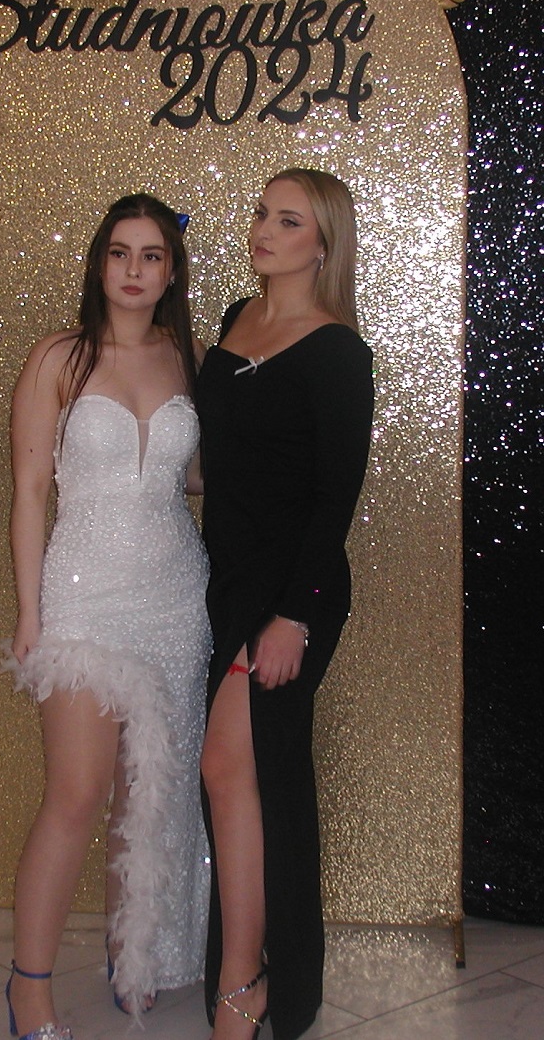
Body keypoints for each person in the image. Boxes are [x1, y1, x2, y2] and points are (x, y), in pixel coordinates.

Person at [1, 194, 211, 1040]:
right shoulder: (59, 357)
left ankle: (138, 958)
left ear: (171, 271)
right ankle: (29, 987)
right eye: (120, 252)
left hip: (177, 596)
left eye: (151, 255)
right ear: (98, 263)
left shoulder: (188, 358)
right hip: (84, 595)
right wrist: (30, 613)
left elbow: (191, 477)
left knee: (149, 794)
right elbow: (29, 493)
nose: (134, 270)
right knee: (77, 794)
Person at [197, 168, 374, 1040]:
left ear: (323, 243)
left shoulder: (338, 350)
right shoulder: (239, 316)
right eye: (263, 213)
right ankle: (263, 979)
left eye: (289, 220)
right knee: (245, 779)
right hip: (229, 582)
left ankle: (247, 987)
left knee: (230, 770)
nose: (265, 229)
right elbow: (224, 457)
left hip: (291, 593)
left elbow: (336, 495)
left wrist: (294, 615)